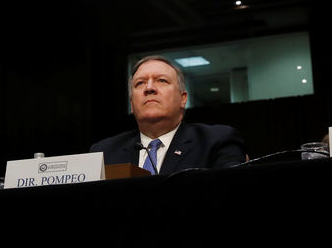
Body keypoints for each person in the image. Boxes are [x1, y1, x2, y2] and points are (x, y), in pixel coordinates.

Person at [90, 55, 247, 174]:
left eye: (162, 81)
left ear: (183, 98)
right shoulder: (104, 153)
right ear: (131, 103)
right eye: (140, 83)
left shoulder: (216, 141)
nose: (149, 88)